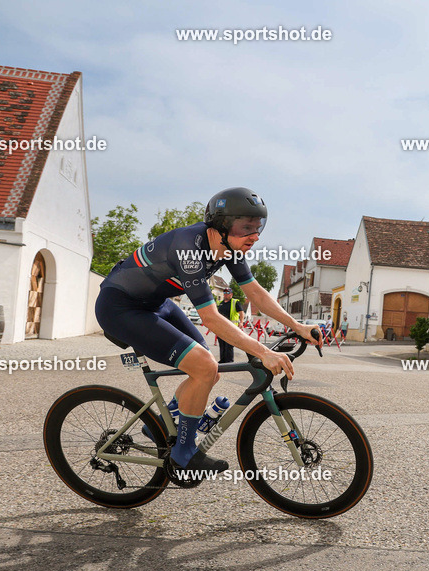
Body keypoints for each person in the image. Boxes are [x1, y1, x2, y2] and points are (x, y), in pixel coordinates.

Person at [95, 187, 321, 474]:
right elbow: (211, 318)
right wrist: (263, 352)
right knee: (204, 364)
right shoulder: (188, 246)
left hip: (155, 304)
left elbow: (257, 295)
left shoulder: (230, 249)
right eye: (246, 227)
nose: (255, 235)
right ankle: (184, 455)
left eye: (258, 226)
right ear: (221, 225)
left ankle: (165, 425)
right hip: (120, 307)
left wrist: (298, 327)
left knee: (205, 362)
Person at [216, 287, 246, 363]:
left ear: (231, 294)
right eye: (225, 293)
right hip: (221, 327)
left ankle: (229, 361)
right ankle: (222, 360)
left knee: (229, 345)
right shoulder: (221, 303)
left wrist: (241, 322)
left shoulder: (235, 302)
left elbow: (241, 313)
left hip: (231, 327)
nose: (225, 294)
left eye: (227, 293)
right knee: (222, 344)